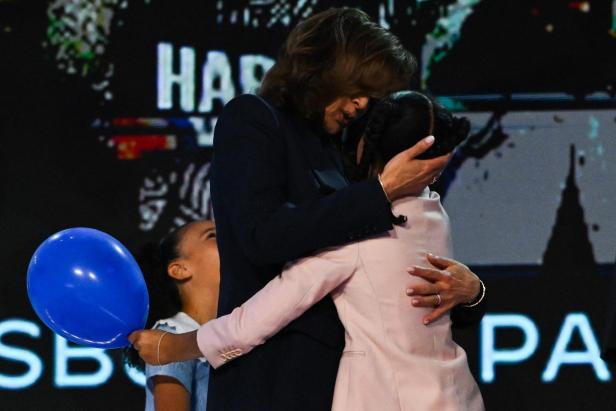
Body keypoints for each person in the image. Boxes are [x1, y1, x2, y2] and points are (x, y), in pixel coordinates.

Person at [133, 8, 485, 411]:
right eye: (359, 86)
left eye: (373, 95)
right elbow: (261, 237)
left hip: (350, 385)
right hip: (274, 379)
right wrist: (380, 191)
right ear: (322, 67)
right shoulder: (254, 119)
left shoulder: (342, 152)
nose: (362, 103)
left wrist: (473, 294)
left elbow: (390, 280)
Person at [125, 220, 219, 411]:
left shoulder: (239, 330)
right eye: (212, 235)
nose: (227, 239)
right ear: (180, 269)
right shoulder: (170, 337)